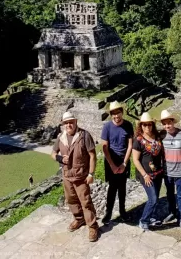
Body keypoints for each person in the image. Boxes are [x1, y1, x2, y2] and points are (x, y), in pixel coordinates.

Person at [51, 111, 99, 242]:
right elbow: (53, 153)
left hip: (81, 177)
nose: (68, 124)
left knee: (86, 202)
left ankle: (93, 226)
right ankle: (79, 219)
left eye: (70, 122)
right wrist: (60, 158)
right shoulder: (61, 137)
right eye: (66, 123)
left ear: (75, 122)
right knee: (71, 200)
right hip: (67, 176)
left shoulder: (84, 135)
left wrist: (91, 173)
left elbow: (92, 156)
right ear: (63, 124)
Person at [101, 101, 134, 225]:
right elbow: (105, 147)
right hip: (111, 161)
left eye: (118, 113)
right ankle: (108, 212)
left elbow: (130, 145)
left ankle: (122, 211)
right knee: (112, 187)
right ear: (111, 115)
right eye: (113, 114)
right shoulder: (107, 127)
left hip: (123, 161)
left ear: (122, 112)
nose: (116, 116)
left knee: (122, 187)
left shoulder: (128, 125)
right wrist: (113, 166)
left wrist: (124, 163)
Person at [132, 112, 164, 231]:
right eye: (144, 125)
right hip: (146, 175)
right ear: (141, 126)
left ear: (152, 125)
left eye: (149, 124)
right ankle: (143, 220)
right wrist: (145, 175)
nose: (147, 127)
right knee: (153, 198)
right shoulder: (138, 141)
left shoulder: (157, 137)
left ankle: (152, 217)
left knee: (156, 197)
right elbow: (135, 159)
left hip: (158, 173)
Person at [160, 109, 181, 231]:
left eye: (169, 123)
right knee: (169, 194)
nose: (167, 126)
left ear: (173, 122)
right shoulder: (162, 135)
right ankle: (172, 212)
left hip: (180, 171)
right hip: (167, 171)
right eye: (165, 123)